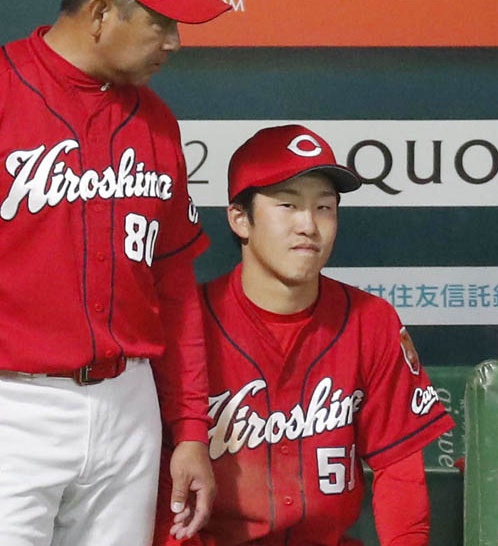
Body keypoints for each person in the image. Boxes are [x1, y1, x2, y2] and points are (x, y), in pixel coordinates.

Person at [0, 0, 230, 544]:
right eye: (162, 22)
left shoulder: (157, 123)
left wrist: (190, 429)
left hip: (129, 403)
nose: (174, 41)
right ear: (101, 13)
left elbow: (173, 288)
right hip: (13, 402)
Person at [155, 124, 455, 545]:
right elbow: (161, 495)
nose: (309, 225)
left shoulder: (372, 321)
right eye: (288, 205)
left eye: (324, 207)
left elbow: (399, 473)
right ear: (240, 219)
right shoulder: (187, 327)